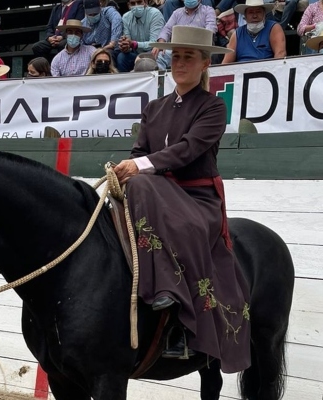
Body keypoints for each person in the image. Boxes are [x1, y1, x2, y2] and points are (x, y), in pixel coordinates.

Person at [112, 25, 250, 371]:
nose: (180, 63)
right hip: (155, 193)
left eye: (189, 56)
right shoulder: (154, 108)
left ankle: (177, 312)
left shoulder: (213, 107)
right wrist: (125, 168)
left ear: (205, 63)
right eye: (176, 56)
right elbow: (139, 149)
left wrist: (138, 167)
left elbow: (187, 151)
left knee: (141, 185)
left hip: (196, 197)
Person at [152, 0, 217, 69]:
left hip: (199, 49)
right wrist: (161, 43)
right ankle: (162, 79)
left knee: (201, 57)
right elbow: (167, 29)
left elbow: (210, 30)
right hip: (178, 49)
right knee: (160, 56)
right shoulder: (177, 13)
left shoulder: (208, 11)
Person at [221, 0, 286, 63]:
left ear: (264, 14)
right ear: (245, 16)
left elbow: (280, 54)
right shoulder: (237, 34)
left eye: (258, 12)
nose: (255, 16)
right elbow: (225, 64)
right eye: (251, 12)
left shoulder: (273, 28)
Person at [117, 0, 166, 72]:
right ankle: (124, 82)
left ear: (145, 3)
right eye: (133, 3)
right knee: (121, 57)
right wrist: (125, 46)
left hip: (152, 53)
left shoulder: (155, 14)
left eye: (139, 2)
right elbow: (128, 42)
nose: (136, 6)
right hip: (136, 54)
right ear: (129, 5)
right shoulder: (125, 17)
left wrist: (134, 44)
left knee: (158, 55)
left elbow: (154, 43)